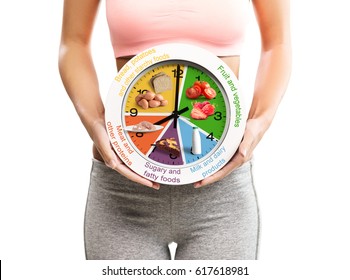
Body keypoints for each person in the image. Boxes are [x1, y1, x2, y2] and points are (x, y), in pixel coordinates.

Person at [58, 0, 291, 260]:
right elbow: (73, 42)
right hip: (123, 189)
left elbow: (277, 43)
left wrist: (259, 122)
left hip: (220, 190)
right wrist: (96, 122)